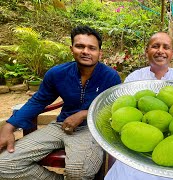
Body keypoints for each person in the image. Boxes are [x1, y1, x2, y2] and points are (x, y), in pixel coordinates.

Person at [0, 25, 122, 179]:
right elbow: (39, 100)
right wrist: (9, 126)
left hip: (91, 129)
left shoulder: (110, 77)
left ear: (99, 53)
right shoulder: (57, 73)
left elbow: (113, 108)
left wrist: (84, 114)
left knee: (80, 172)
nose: (85, 51)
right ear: (72, 49)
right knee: (4, 164)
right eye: (80, 46)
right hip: (61, 126)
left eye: (92, 48)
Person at [105, 32, 173, 180]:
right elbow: (125, 108)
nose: (160, 50)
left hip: (172, 149)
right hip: (138, 148)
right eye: (155, 46)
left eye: (166, 47)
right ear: (146, 50)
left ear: (172, 53)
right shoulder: (135, 78)